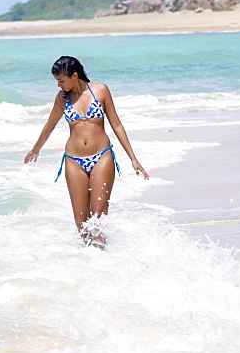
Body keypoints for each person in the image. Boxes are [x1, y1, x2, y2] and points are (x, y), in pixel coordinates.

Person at [24, 56, 149, 247]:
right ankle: (91, 262)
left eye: (61, 81)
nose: (59, 85)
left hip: (102, 157)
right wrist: (35, 150)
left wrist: (133, 158)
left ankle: (105, 259)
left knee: (97, 220)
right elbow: (50, 125)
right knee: (82, 224)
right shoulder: (62, 98)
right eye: (57, 81)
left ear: (75, 75)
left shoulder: (100, 90)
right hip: (74, 161)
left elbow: (116, 124)